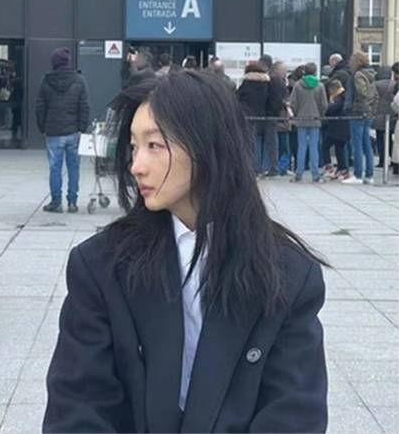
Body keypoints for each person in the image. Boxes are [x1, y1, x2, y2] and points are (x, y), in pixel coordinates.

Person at [43, 71, 328, 433]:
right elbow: (77, 408)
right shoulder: (101, 266)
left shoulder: (288, 274)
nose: (136, 166)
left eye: (154, 145)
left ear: (208, 145)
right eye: (134, 146)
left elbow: (294, 415)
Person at [36, 47, 90, 213]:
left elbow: (40, 106)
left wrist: (42, 127)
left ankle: (56, 202)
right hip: (73, 131)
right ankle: (72, 202)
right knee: (74, 167)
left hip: (53, 131)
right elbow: (84, 106)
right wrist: (82, 127)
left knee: (55, 168)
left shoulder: (46, 81)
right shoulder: (79, 80)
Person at [342, 51, 377, 184]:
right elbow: (375, 95)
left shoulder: (357, 75)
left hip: (358, 113)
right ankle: (369, 175)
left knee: (357, 145)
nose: (350, 62)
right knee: (367, 145)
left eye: (352, 59)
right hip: (368, 113)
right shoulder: (371, 75)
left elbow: (362, 93)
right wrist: (372, 109)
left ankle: (358, 175)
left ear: (357, 61)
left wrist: (356, 107)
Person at [289, 62, 327, 183]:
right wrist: (320, 115)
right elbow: (324, 104)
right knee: (314, 147)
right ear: (315, 72)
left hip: (301, 119)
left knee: (302, 146)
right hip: (315, 119)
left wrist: (296, 113)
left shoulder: (298, 85)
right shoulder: (320, 86)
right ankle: (315, 174)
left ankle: (299, 173)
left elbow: (293, 103)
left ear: (304, 71)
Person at [236, 61, 271, 174]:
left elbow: (238, 98)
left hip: (247, 115)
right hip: (261, 115)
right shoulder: (266, 84)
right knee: (259, 142)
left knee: (248, 141)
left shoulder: (246, 84)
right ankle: (258, 167)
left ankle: (249, 167)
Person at [259, 54, 286, 176]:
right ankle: (269, 166)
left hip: (269, 114)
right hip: (271, 113)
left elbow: (275, 99)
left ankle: (270, 167)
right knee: (270, 141)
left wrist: (271, 111)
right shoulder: (277, 80)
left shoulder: (272, 79)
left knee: (270, 141)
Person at [322, 79, 350, 180]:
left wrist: (328, 107)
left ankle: (329, 167)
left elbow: (331, 110)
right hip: (341, 127)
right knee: (339, 149)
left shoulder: (341, 97)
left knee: (325, 146)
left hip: (338, 128)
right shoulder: (343, 96)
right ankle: (342, 169)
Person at [374, 66, 396, 168]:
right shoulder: (394, 84)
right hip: (391, 113)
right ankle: (393, 159)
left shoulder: (376, 84)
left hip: (379, 112)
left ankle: (382, 160)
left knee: (379, 138)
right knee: (391, 138)